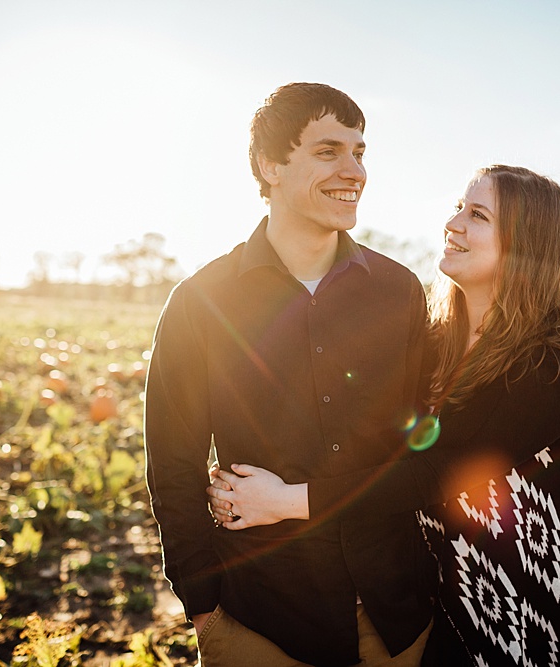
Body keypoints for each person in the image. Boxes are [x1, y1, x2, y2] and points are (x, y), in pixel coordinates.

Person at [208, 165, 560, 666]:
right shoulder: (434, 341)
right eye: (457, 208)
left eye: (478, 215)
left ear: (525, 244)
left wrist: (285, 501)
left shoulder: (556, 359)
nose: (454, 224)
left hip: (536, 608)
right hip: (445, 602)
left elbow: (440, 472)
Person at [143, 82, 436, 667]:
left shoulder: (399, 292)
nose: (354, 170)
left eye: (360, 152)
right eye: (329, 152)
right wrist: (204, 606)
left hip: (394, 616)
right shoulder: (201, 302)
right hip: (261, 620)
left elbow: (422, 455)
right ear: (269, 166)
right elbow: (173, 467)